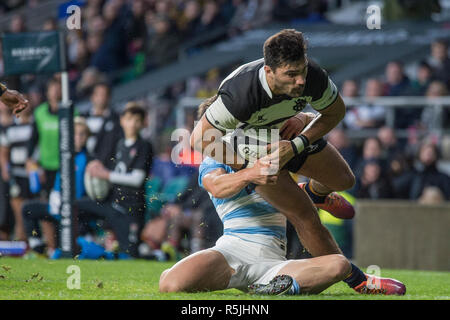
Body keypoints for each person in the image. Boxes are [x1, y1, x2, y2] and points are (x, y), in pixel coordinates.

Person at [190, 29, 357, 264]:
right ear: (269, 71)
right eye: (291, 74)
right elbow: (199, 139)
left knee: (344, 181)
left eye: (302, 71)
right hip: (253, 149)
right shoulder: (240, 93)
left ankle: (314, 193)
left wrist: (299, 138)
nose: (300, 80)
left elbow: (336, 111)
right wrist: (250, 168)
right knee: (305, 216)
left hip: (288, 137)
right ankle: (352, 279)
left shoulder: (313, 76)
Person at [159, 154, 406, 295]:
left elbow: (280, 194)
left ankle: (270, 289)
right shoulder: (213, 162)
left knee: (339, 263)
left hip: (273, 265)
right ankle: (313, 194)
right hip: (232, 252)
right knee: (169, 283)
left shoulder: (265, 148)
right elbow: (217, 185)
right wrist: (252, 174)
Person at [76, 103, 153, 258]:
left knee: (131, 254)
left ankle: (157, 254)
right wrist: (96, 166)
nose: (133, 123)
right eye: (129, 119)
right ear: (122, 120)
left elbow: (137, 179)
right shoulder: (117, 144)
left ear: (142, 124)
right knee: (75, 205)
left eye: (137, 120)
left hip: (132, 208)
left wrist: (105, 174)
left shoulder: (144, 146)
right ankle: (83, 240)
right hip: (112, 203)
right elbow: (107, 166)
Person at [22, 117, 91, 258]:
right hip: (59, 206)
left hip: (78, 211)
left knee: (72, 248)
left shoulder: (90, 159)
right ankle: (38, 249)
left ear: (87, 137)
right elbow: (59, 184)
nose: (78, 137)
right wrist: (55, 196)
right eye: (75, 133)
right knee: (28, 209)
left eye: (82, 134)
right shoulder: (64, 156)